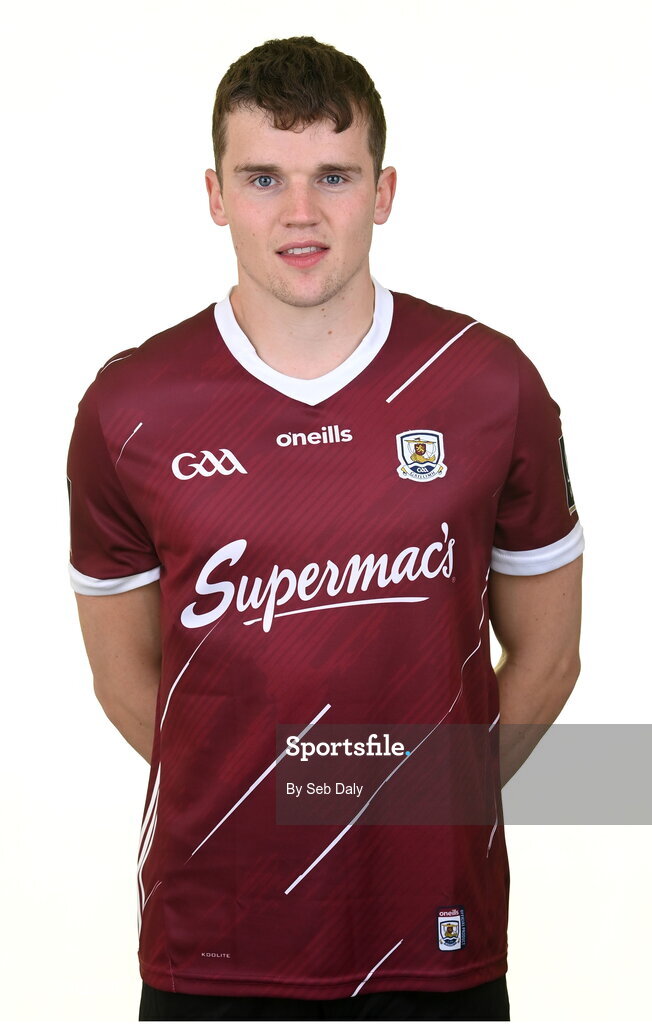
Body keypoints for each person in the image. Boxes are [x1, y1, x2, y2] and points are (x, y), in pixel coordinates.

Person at [66, 35, 584, 1022]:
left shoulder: (487, 383)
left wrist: (403, 804)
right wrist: (264, 799)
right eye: (263, 177)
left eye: (332, 176)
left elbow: (548, 657)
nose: (299, 212)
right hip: (212, 939)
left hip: (434, 936)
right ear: (215, 194)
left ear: (383, 192)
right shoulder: (130, 407)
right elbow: (127, 677)